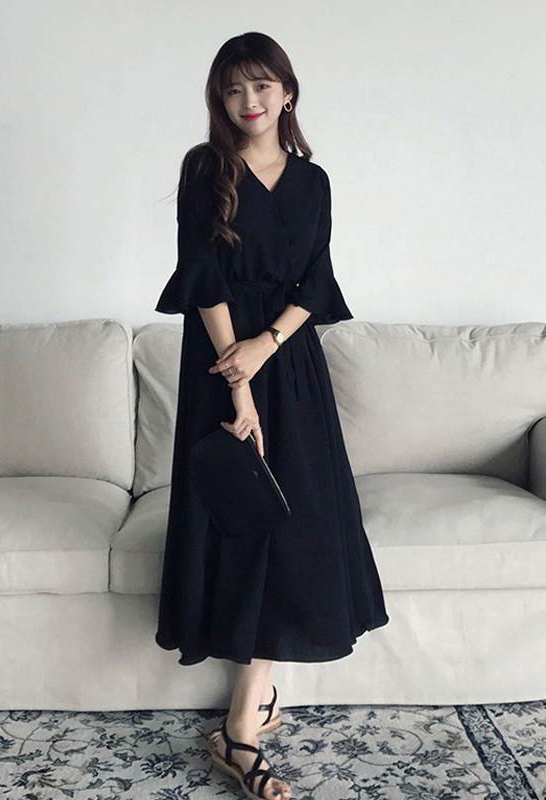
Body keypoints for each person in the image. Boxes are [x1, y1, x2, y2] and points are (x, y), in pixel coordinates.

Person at [154, 31, 390, 800]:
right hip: (222, 368)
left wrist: (268, 345)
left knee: (298, 526)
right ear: (219, 101)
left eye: (261, 85)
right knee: (242, 526)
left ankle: (245, 715)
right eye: (233, 89)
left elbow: (316, 282)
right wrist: (240, 381)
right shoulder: (205, 170)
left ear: (287, 92)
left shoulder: (313, 182)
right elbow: (202, 277)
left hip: (290, 367)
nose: (248, 101)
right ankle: (244, 728)